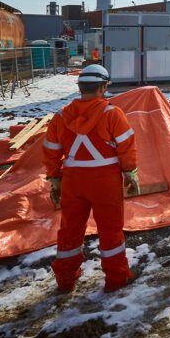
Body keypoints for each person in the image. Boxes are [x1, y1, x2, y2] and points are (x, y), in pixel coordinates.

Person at [42, 64, 138, 293]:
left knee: (70, 230)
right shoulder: (112, 114)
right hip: (105, 181)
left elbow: (51, 150)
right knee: (110, 229)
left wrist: (54, 177)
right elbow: (127, 147)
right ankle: (117, 279)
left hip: (73, 181)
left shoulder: (61, 116)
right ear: (103, 87)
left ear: (80, 88)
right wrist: (130, 172)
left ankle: (65, 279)